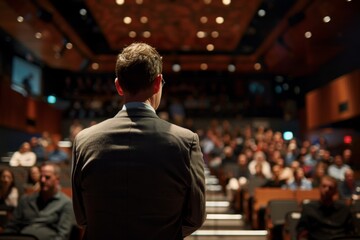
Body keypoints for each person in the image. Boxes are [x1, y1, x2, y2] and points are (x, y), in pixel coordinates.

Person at [72, 42, 206, 240]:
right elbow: (195, 217)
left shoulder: (84, 140)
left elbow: (82, 217)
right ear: (158, 82)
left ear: (118, 86)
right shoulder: (186, 142)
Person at [4, 163, 75, 240]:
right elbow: (12, 226)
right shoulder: (25, 200)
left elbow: (63, 235)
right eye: (41, 176)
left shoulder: (66, 203)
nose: (42, 180)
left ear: (57, 180)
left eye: (47, 177)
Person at [296, 175, 356, 240]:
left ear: (335, 191)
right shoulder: (309, 208)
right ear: (319, 188)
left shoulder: (344, 209)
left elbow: (351, 232)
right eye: (324, 186)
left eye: (330, 188)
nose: (327, 190)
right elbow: (302, 232)